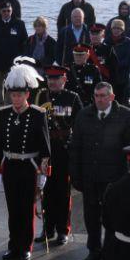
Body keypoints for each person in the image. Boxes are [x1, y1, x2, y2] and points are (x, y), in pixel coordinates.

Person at [69, 82, 130, 260]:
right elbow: (76, 147)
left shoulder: (125, 116)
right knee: (91, 217)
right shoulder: (84, 115)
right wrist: (75, 175)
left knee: (112, 219)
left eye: (103, 96)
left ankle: (110, 256)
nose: (99, 99)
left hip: (114, 179)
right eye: (96, 96)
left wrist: (129, 179)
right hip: (90, 177)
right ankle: (94, 252)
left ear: (112, 97)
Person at [0, 65, 50, 260]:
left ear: (27, 94)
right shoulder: (4, 114)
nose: (15, 99)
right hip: (10, 166)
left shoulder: (37, 114)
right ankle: (13, 245)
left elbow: (45, 146)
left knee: (26, 209)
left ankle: (25, 246)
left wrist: (43, 174)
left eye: (19, 95)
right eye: (13, 95)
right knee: (13, 209)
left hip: (29, 167)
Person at [36, 65, 82, 245]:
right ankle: (47, 229)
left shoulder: (72, 98)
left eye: (56, 79)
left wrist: (73, 146)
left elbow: (79, 125)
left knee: (62, 191)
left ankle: (63, 230)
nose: (52, 82)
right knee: (45, 191)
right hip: (45, 150)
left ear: (64, 80)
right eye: (50, 79)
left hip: (64, 150)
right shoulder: (40, 96)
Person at [0, 3, 27, 109]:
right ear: (0, 12)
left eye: (9, 10)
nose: (6, 13)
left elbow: (24, 42)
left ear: (12, 11)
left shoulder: (19, 23)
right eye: (4, 11)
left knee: (11, 87)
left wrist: (21, 60)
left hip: (13, 63)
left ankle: (9, 108)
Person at [107, 19, 130, 106]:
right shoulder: (107, 41)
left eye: (118, 28)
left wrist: (117, 65)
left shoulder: (128, 42)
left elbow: (129, 59)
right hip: (111, 75)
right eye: (114, 28)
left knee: (123, 102)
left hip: (123, 75)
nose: (116, 30)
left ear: (122, 30)